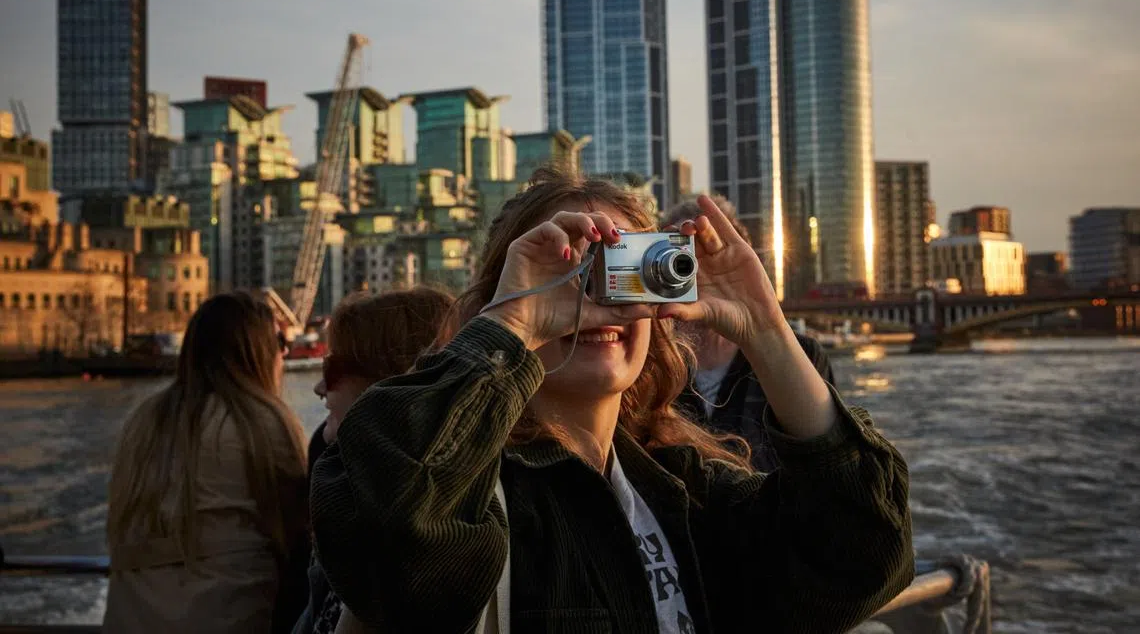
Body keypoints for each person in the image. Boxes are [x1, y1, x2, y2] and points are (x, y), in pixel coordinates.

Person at [311, 168, 914, 633]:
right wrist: (514, 327)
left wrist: (766, 330)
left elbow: (862, 554)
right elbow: (384, 527)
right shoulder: (478, 501)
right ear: (503, 296)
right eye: (571, 270)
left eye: (628, 270)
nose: (599, 299)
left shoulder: (684, 491)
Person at [104, 291, 309, 634]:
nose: (285, 351)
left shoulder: (142, 420)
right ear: (256, 349)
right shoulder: (264, 422)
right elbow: (298, 539)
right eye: (278, 340)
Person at [292, 286, 455, 634]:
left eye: (332, 368)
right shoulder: (339, 476)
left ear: (385, 381)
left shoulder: (425, 535)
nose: (320, 387)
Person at [661, 196, 838, 472]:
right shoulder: (647, 367)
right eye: (678, 258)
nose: (697, 272)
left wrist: (762, 332)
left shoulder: (799, 356)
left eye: (712, 254)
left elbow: (830, 466)